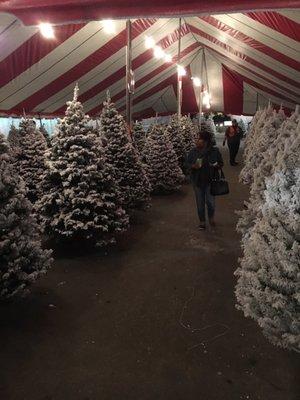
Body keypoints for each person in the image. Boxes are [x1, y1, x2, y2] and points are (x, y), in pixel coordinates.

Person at [187, 131, 223, 230]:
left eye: (199, 138)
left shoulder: (214, 151)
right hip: (198, 182)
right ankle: (202, 221)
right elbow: (187, 164)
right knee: (200, 203)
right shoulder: (193, 152)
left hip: (211, 181)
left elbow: (221, 163)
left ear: (205, 141)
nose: (196, 140)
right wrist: (193, 166)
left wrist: (216, 165)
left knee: (211, 202)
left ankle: (211, 218)